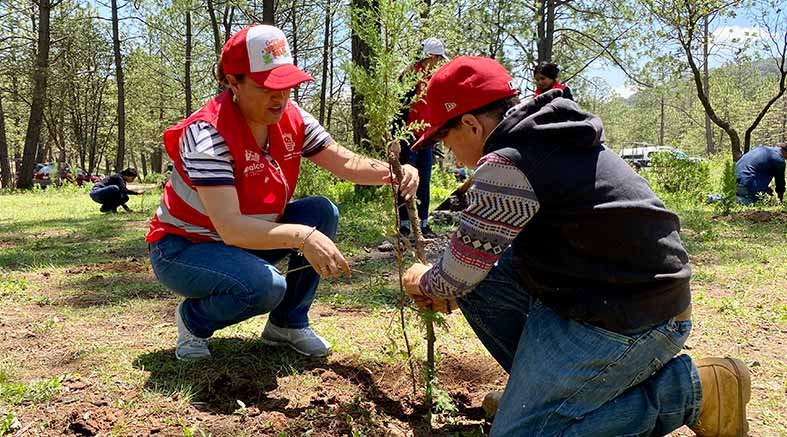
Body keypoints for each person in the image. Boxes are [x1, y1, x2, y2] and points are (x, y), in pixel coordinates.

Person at [402, 56, 750, 437]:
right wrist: (452, 279)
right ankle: (539, 397)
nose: (448, 153)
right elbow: (476, 258)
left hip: (634, 316)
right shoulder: (545, 136)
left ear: (470, 125)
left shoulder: (507, 163)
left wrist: (426, 281)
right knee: (479, 278)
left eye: (444, 139)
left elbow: (454, 276)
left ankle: (691, 391)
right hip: (604, 292)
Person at [146, 25, 418, 361]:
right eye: (267, 87)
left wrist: (395, 171)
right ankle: (193, 320)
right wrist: (301, 237)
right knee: (265, 287)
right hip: (185, 249)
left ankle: (287, 323)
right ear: (234, 82)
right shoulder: (208, 134)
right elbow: (230, 226)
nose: (281, 97)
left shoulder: (293, 118)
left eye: (287, 85)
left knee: (321, 211)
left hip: (241, 242)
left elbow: (344, 161)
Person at [395, 37, 448, 239]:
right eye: (437, 58)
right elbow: (399, 111)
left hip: (425, 138)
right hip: (408, 137)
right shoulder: (408, 77)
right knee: (406, 182)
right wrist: (397, 139)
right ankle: (405, 226)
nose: (437, 62)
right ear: (429, 56)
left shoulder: (431, 79)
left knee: (424, 181)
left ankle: (423, 225)